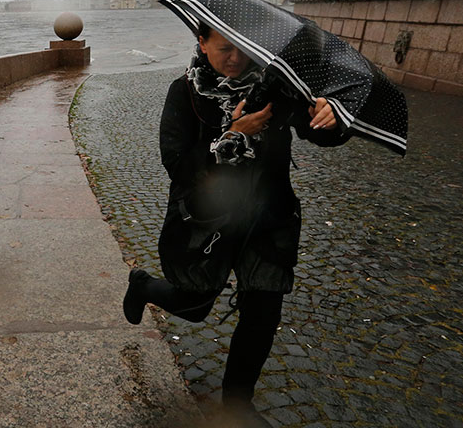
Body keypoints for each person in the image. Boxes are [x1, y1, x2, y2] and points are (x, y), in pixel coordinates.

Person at [123, 23, 348, 424]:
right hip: (207, 219)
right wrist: (231, 136)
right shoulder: (185, 92)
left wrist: (331, 117)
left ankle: (237, 403)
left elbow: (321, 134)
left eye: (243, 49)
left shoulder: (276, 87)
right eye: (224, 48)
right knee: (194, 306)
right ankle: (143, 286)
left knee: (263, 310)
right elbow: (177, 165)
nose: (235, 58)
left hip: (267, 215)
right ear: (201, 43)